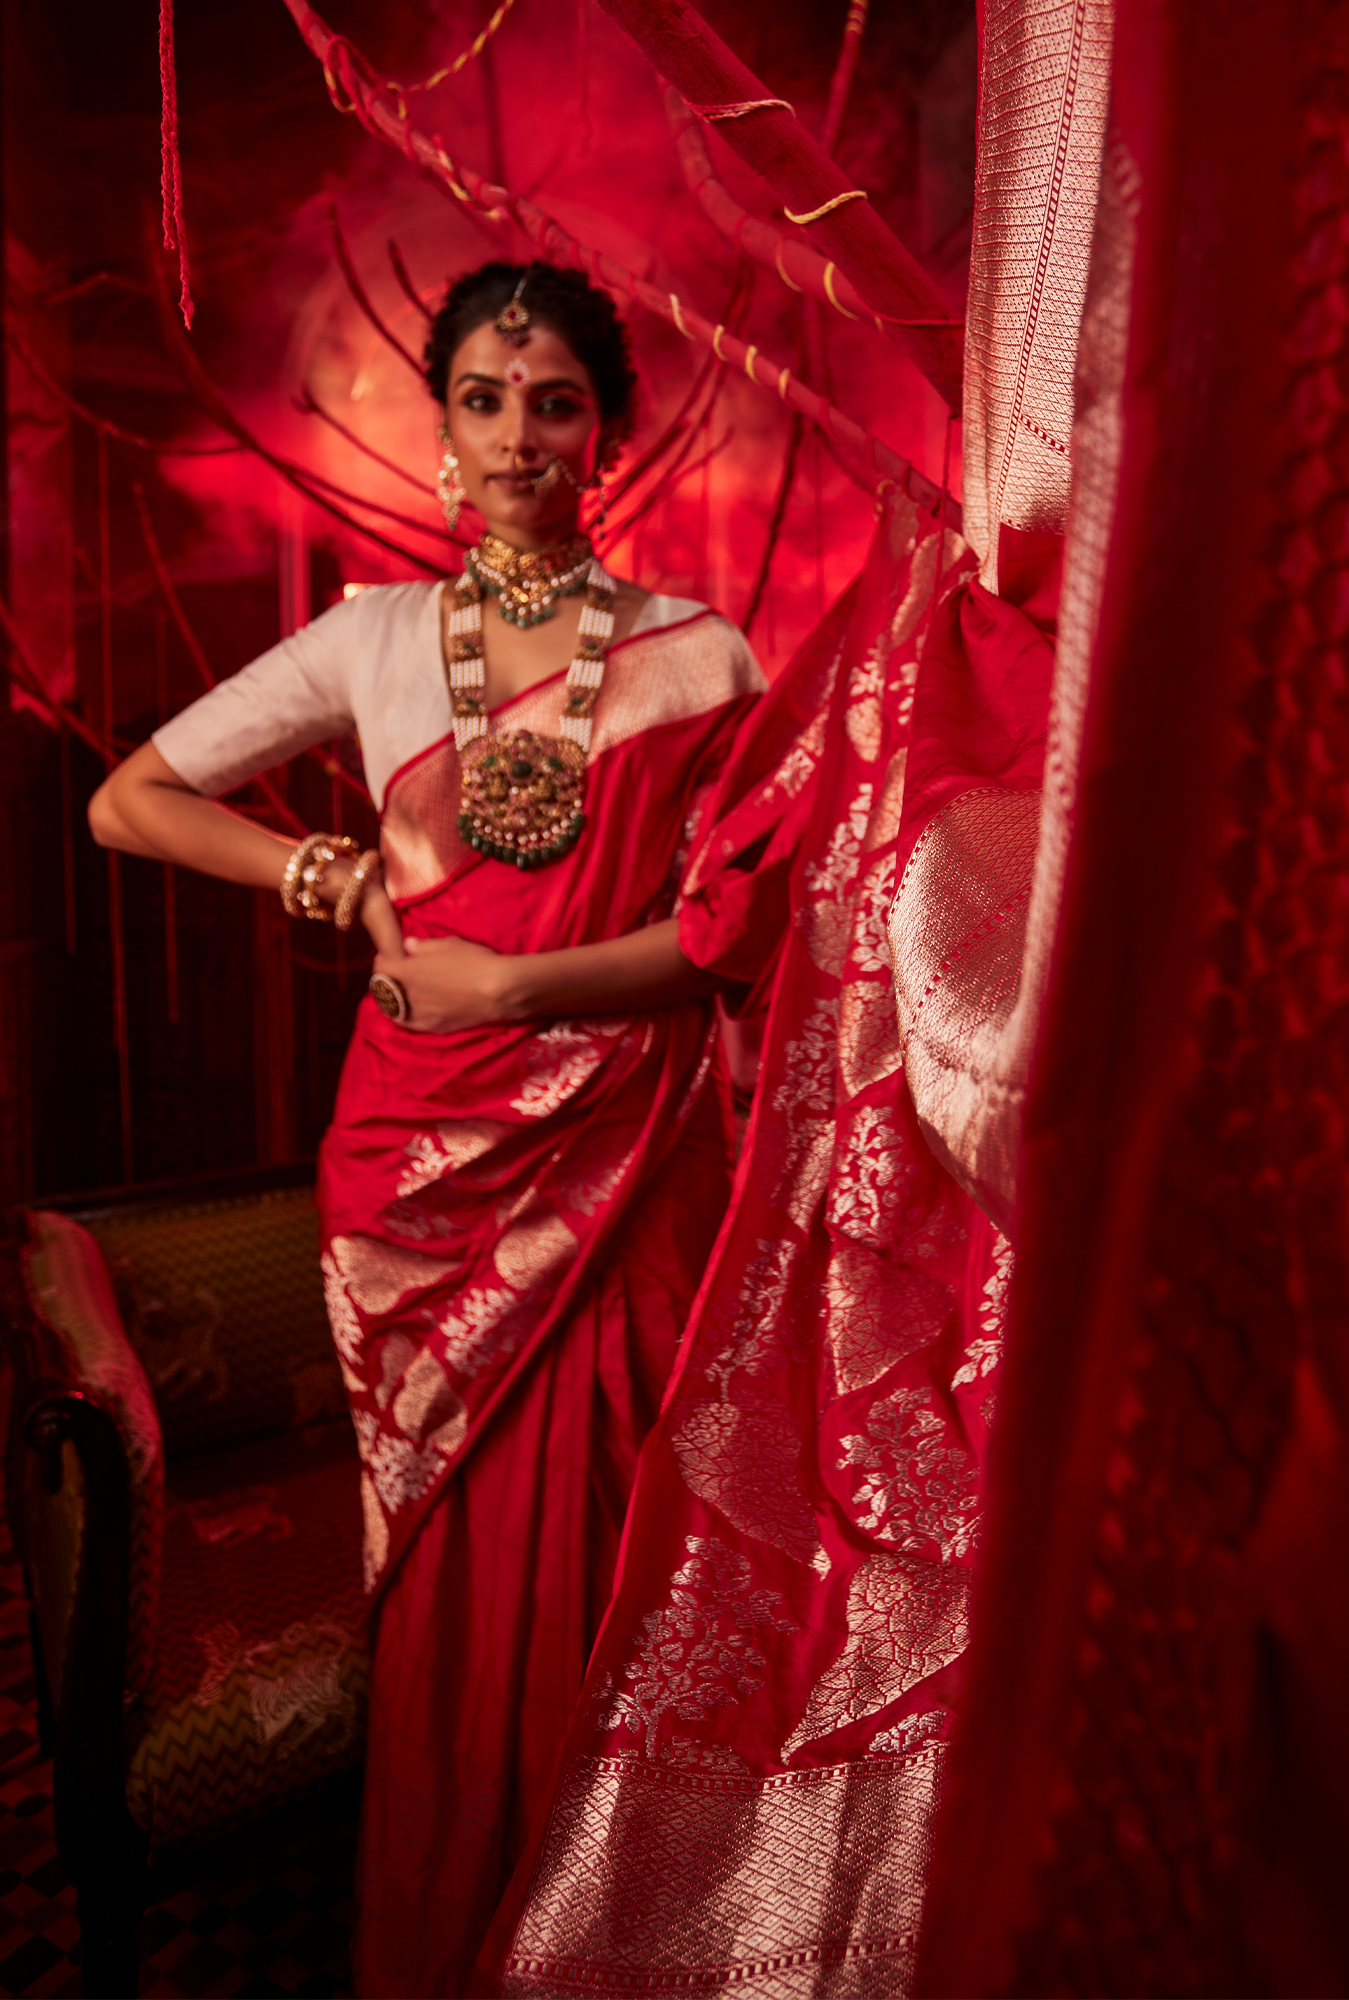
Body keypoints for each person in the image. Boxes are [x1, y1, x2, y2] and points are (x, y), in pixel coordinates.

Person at [89, 260, 767, 1998]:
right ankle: (462, 1927)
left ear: (602, 431)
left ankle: (617, 1941)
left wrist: (516, 996)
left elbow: (732, 936)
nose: (520, 433)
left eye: (554, 401)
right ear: (445, 431)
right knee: (457, 1581)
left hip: (626, 1177)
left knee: (626, 1555)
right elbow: (129, 801)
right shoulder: (376, 637)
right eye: (486, 398)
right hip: (416, 1184)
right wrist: (325, 874)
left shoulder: (699, 656)